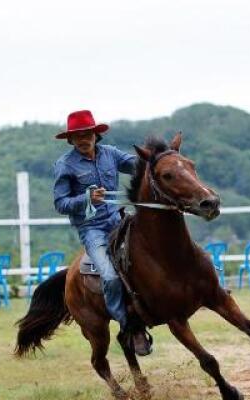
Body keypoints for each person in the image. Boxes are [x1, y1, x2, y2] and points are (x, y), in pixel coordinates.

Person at [52, 109, 152, 356]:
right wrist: (85, 198)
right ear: (71, 140)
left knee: (156, 247)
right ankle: (129, 326)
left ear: (96, 135)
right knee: (108, 275)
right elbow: (60, 203)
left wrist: (162, 159)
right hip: (92, 229)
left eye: (87, 133)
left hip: (119, 220)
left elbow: (140, 165)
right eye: (78, 136)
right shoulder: (65, 165)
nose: (83, 139)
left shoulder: (111, 154)